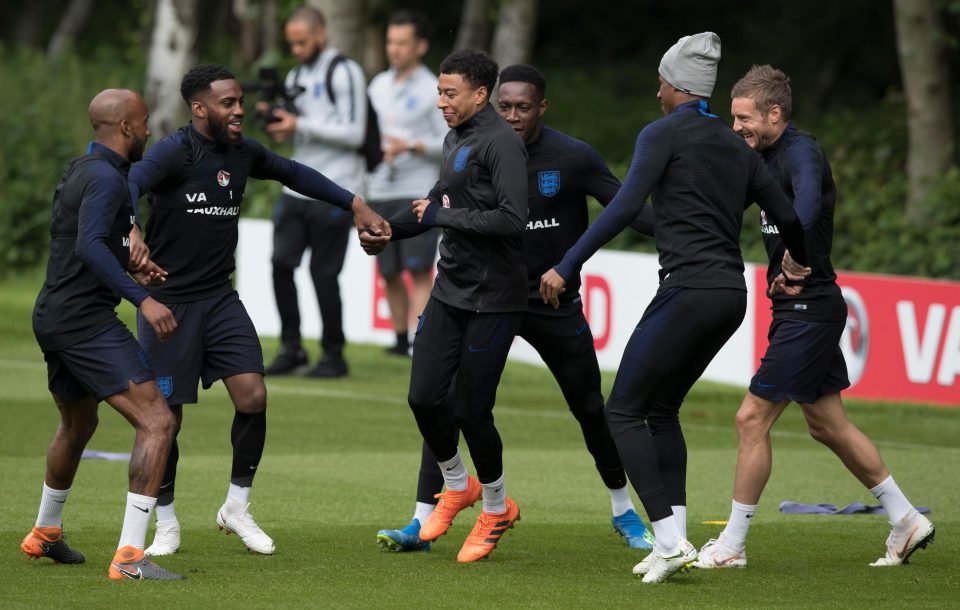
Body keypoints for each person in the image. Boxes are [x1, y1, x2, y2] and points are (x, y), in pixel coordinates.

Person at [540, 33, 812, 583]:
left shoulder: (660, 133)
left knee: (621, 412)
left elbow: (623, 206)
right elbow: (788, 214)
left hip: (687, 290)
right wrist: (797, 266)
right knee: (660, 411)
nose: (656, 90)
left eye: (660, 81)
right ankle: (678, 539)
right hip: (729, 296)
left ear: (674, 85)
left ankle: (665, 539)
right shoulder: (737, 148)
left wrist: (566, 264)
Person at [375, 64, 656, 554]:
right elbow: (434, 204)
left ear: (541, 108)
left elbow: (627, 209)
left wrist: (571, 264)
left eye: (522, 107)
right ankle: (423, 519)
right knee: (446, 399)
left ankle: (623, 509)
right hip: (484, 299)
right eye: (504, 106)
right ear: (491, 101)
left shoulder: (572, 157)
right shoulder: (470, 146)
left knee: (589, 406)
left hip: (549, 301)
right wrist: (386, 229)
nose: (512, 116)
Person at [130, 64, 388, 557]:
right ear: (199, 107)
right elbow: (129, 182)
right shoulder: (173, 151)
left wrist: (355, 203)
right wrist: (131, 229)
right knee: (166, 419)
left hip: (219, 299)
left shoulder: (243, 152)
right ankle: (165, 521)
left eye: (241, 100)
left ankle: (236, 508)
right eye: (227, 103)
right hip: (167, 303)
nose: (239, 110)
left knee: (252, 396)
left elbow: (296, 173)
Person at [693, 65, 935, 570]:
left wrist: (793, 258)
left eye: (744, 118)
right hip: (805, 309)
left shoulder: (801, 152)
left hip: (809, 309)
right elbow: (724, 209)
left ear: (775, 113)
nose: (736, 128)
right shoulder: (761, 157)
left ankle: (732, 545)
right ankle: (906, 518)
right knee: (827, 425)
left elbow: (802, 208)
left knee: (750, 419)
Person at [361, 49, 528, 563]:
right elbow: (434, 206)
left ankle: (497, 506)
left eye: (449, 93)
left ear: (480, 94)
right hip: (450, 290)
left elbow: (511, 219)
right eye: (438, 92)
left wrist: (440, 215)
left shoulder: (502, 143)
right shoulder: (457, 138)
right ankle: (457, 486)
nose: (440, 102)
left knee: (472, 410)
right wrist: (389, 231)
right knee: (423, 397)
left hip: (494, 299)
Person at [22, 88, 183, 580]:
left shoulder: (82, 169)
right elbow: (90, 245)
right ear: (127, 129)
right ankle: (131, 558)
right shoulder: (109, 181)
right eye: (145, 122)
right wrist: (144, 300)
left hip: (54, 314)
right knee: (157, 422)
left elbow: (86, 245)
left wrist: (135, 269)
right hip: (84, 322)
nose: (151, 130)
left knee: (77, 425)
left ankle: (45, 533)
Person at [262, 5, 370, 378]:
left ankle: (333, 355)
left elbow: (354, 133)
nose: (296, 50)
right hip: (297, 187)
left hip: (336, 188)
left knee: (324, 274)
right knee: (279, 264)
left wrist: (301, 124)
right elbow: (298, 126)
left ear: (321, 34)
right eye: (291, 44)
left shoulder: (345, 70)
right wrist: (279, 124)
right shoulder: (295, 73)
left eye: (302, 42)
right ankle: (291, 347)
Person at [367, 9, 448, 356]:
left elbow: (448, 141)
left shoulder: (434, 87)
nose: (394, 49)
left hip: (417, 189)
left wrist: (410, 146)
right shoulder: (377, 85)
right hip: (380, 188)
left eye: (402, 42)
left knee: (418, 269)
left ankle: (421, 338)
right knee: (388, 271)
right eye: (390, 41)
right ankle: (399, 339)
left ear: (421, 46)